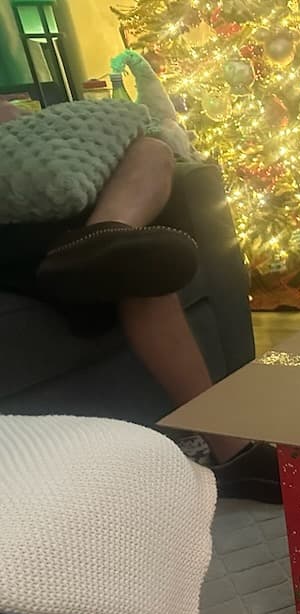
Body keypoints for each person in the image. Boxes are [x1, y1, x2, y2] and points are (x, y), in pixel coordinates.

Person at [0, 98, 280, 503]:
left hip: (57, 213)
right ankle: (233, 452)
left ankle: (101, 237)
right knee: (140, 266)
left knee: (152, 149)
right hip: (13, 231)